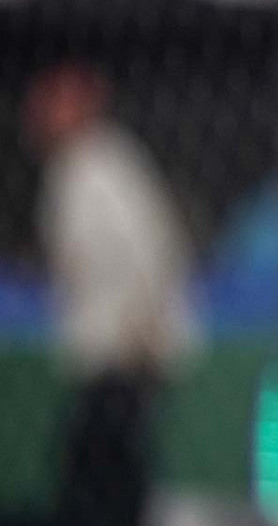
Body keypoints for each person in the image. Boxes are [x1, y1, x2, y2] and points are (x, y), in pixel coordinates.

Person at [23, 62, 200, 526]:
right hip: (117, 357)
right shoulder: (88, 166)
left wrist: (141, 335)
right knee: (108, 476)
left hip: (121, 357)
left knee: (95, 481)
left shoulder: (96, 169)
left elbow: (147, 257)